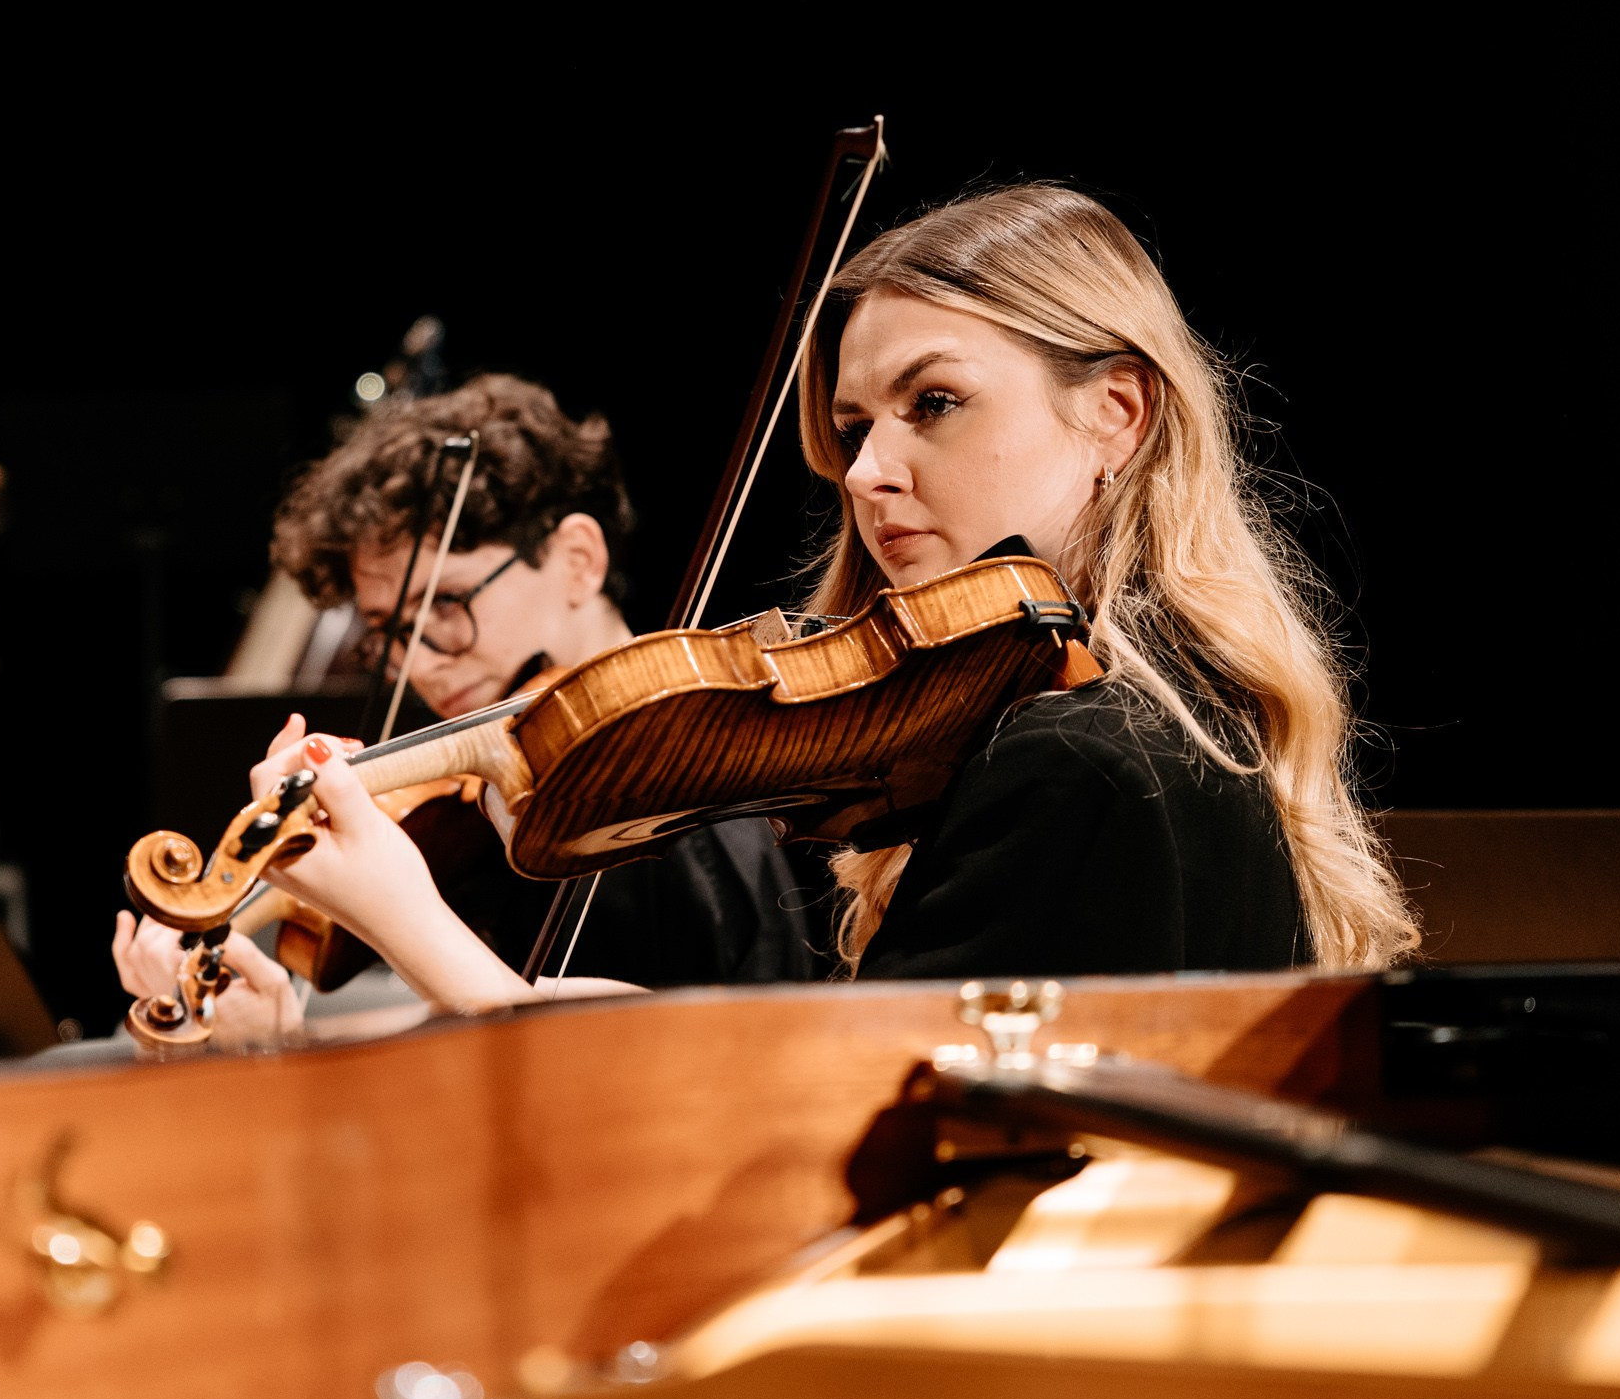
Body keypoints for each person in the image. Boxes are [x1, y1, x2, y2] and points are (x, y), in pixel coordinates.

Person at [210, 184, 1417, 1012]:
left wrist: (412, 926)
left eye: (933, 404)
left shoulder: (1086, 762)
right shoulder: (1149, 726)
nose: (868, 470)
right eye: (853, 426)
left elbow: (821, 1136)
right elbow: (773, 1050)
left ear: (1115, 413)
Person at [111, 374, 818, 1032]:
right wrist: (274, 1035)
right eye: (389, 632)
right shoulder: (493, 810)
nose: (418, 664)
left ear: (578, 559)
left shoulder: (666, 807)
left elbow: (623, 1088)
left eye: (447, 603)